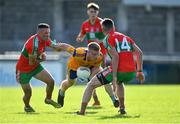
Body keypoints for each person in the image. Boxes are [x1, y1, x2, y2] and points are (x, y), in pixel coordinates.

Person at [77, 18, 145, 115]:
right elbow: (139, 53)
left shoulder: (107, 39)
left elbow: (115, 56)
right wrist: (139, 71)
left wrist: (113, 77)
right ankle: (122, 108)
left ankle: (81, 112)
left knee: (90, 85)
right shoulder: (126, 37)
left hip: (118, 70)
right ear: (113, 27)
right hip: (131, 72)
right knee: (120, 83)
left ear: (103, 29)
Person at [16, 23, 62, 112]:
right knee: (28, 93)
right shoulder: (33, 44)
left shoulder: (45, 39)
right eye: (45, 33)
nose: (47, 35)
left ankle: (48, 99)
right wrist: (42, 59)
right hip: (23, 70)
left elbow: (55, 46)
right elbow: (31, 62)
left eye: (48, 33)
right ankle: (27, 106)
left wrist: (64, 48)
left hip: (35, 67)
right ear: (39, 33)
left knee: (51, 81)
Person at [57, 42, 119, 108]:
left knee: (104, 79)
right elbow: (66, 46)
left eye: (97, 54)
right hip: (74, 67)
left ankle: (114, 99)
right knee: (70, 83)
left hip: (91, 67)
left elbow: (102, 66)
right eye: (94, 54)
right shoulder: (79, 53)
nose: (96, 56)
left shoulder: (100, 57)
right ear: (88, 52)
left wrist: (99, 75)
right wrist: (54, 44)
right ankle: (61, 91)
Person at [76, 2, 111, 106]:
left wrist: (99, 39)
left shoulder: (102, 23)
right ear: (88, 12)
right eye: (91, 11)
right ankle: (96, 100)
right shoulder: (85, 24)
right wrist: (80, 37)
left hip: (102, 54)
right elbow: (82, 33)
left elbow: (109, 36)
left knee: (104, 76)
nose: (93, 13)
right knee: (90, 77)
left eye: (95, 11)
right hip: (90, 55)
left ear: (97, 12)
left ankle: (113, 96)